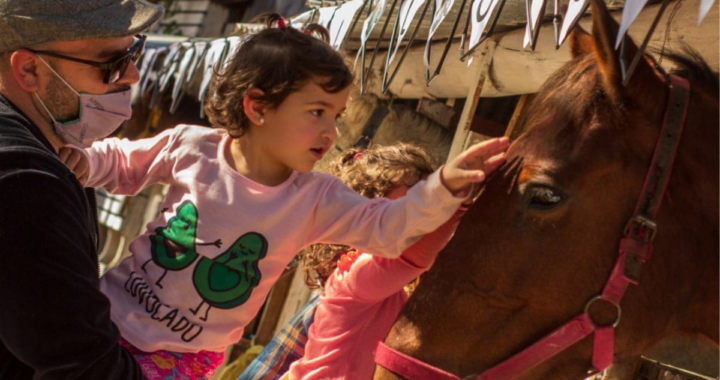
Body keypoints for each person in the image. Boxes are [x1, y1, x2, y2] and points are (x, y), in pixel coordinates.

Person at [61, 14, 509, 380]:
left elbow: (389, 230)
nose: (330, 132)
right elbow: (120, 163)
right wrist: (81, 161)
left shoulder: (316, 198)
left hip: (180, 359)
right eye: (317, 112)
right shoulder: (192, 146)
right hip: (104, 314)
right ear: (257, 107)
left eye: (336, 116)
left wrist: (443, 187)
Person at [0, 0, 164, 378]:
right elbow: (85, 365)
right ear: (29, 70)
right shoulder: (23, 182)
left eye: (134, 51)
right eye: (112, 64)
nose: (134, 75)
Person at [237, 142, 462, 380]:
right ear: (363, 224)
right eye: (402, 215)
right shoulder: (354, 276)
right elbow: (411, 256)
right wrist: (457, 200)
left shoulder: (395, 293)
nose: (419, 225)